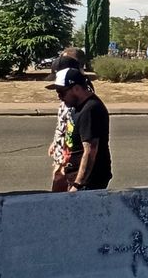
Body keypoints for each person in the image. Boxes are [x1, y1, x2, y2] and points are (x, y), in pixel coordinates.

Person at [46, 68, 112, 191]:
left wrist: (78, 184)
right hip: (72, 173)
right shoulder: (77, 105)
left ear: (76, 88)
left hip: (89, 180)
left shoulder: (91, 110)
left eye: (61, 92)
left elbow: (90, 150)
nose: (59, 97)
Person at [47, 49, 85, 192]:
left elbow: (74, 126)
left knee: (60, 188)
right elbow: (63, 122)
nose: (59, 94)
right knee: (57, 182)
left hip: (68, 155)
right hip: (62, 148)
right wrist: (55, 142)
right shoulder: (67, 91)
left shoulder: (78, 93)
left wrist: (66, 157)